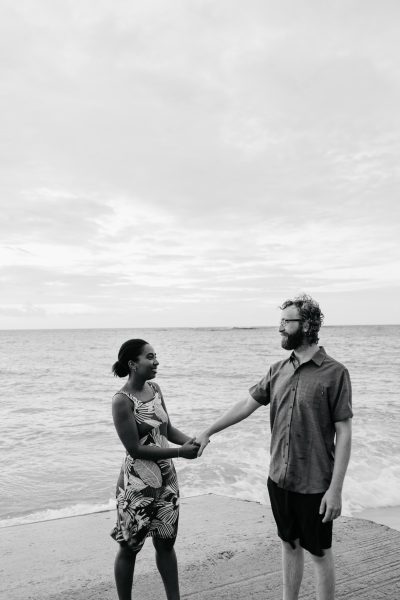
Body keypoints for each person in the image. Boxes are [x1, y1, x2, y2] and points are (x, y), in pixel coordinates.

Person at [196, 294, 352, 600]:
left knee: (319, 553)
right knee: (289, 544)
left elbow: (344, 432)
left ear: (307, 324)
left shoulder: (335, 373)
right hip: (279, 478)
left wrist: (336, 489)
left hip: (316, 482)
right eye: (280, 321)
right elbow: (246, 404)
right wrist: (208, 431)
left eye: (286, 321)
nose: (280, 328)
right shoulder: (278, 369)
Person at [111, 338, 199, 600]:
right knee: (129, 547)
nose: (156, 361)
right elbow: (135, 450)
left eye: (155, 355)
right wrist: (180, 453)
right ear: (132, 364)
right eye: (149, 357)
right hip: (137, 484)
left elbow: (167, 429)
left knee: (166, 542)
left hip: (167, 481)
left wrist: (192, 442)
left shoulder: (155, 389)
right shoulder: (121, 401)